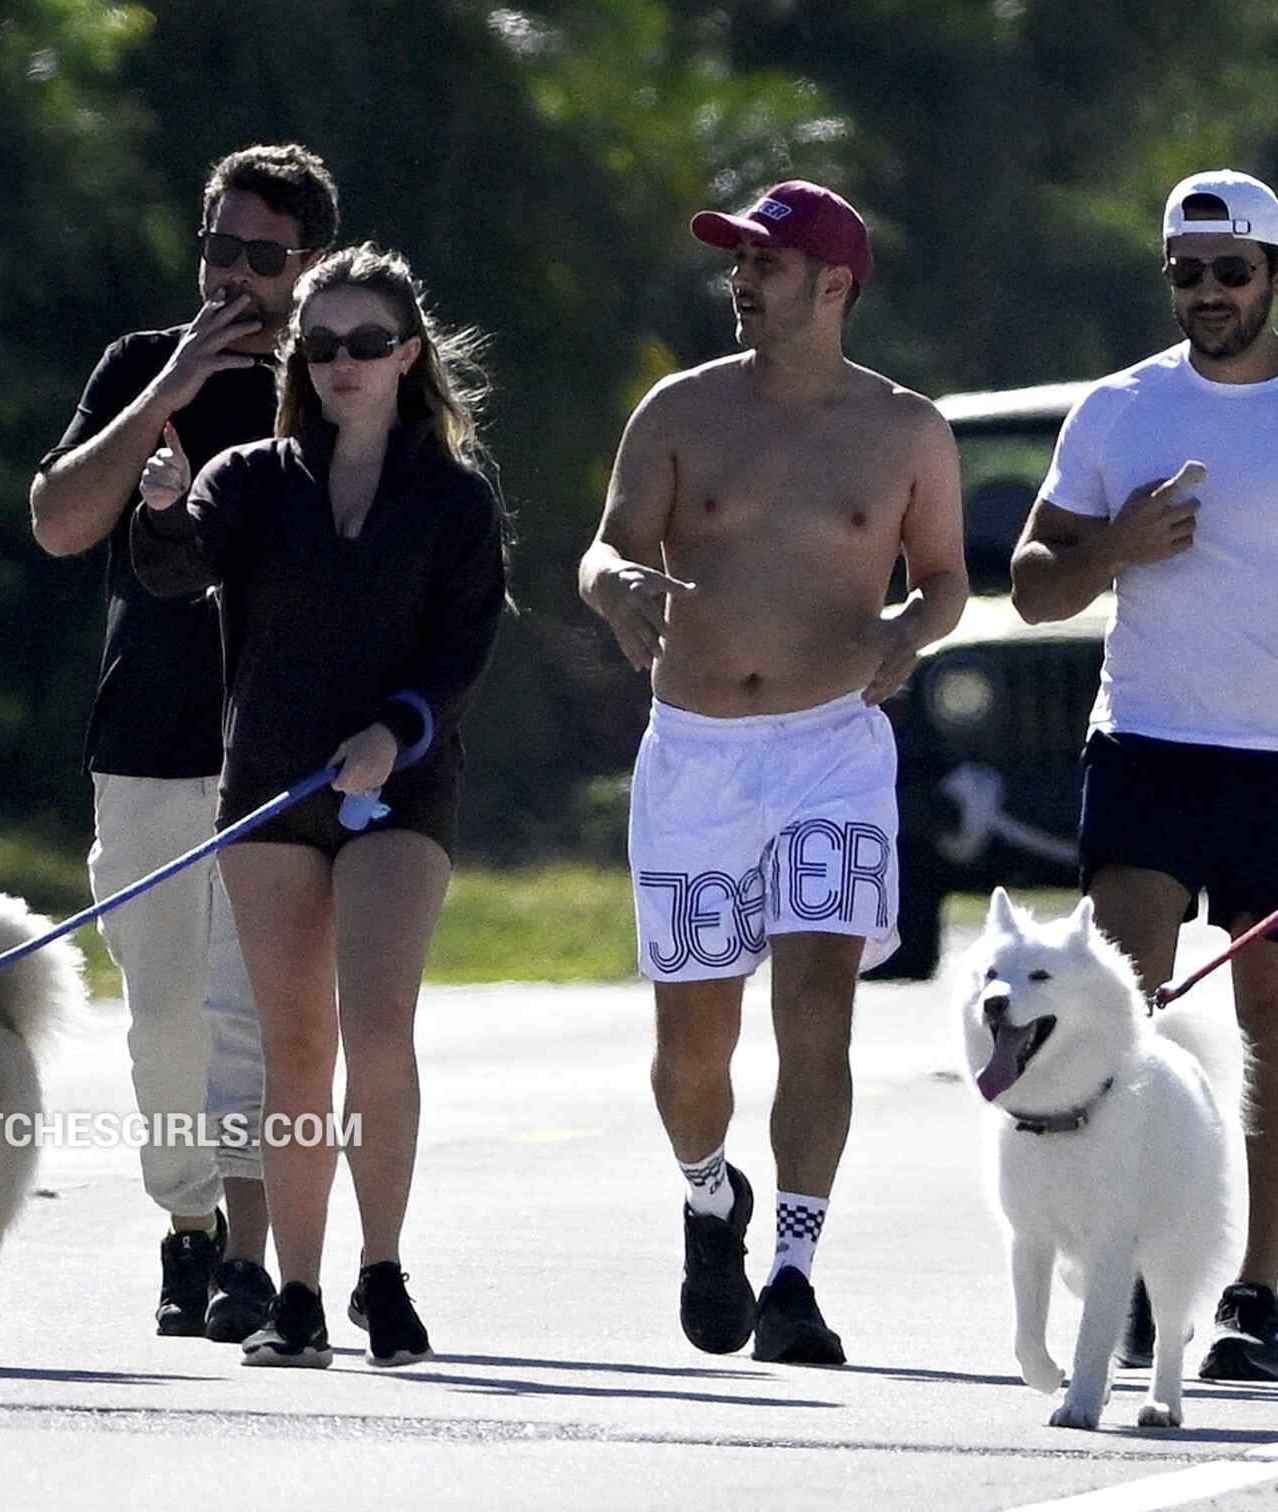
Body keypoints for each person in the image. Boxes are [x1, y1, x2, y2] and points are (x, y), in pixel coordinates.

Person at [579, 181, 967, 1365]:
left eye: (767, 262)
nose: (741, 280)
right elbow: (604, 545)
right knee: (693, 1049)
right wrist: (614, 586)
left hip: (829, 749)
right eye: (737, 261)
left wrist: (913, 629)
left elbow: (945, 577)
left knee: (816, 1011)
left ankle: (794, 1276)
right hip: (696, 754)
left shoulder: (907, 429)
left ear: (834, 284)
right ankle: (711, 1199)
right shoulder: (680, 408)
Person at [131, 243, 507, 1368]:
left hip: (401, 784)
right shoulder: (249, 477)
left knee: (376, 1027)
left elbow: (462, 648)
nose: (343, 364)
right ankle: (295, 1292)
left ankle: (380, 1272)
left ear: (408, 356)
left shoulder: (453, 497)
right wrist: (162, 507)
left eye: (367, 344)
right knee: (295, 1045)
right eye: (322, 345)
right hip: (272, 790)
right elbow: (174, 567)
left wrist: (395, 730)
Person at [29, 144, 339, 1341]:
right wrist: (167, 387)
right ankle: (189, 1228)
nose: (233, 277)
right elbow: (59, 524)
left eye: (263, 256)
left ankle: (253, 1261)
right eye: (218, 247)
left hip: (284, 747)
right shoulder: (138, 367)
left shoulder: (337, 379)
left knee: (250, 1011)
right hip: (148, 734)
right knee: (162, 1014)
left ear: (308, 264)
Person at [1011, 169, 1278, 1383]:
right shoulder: (1120, 411)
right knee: (1117, 1023)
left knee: (1271, 1032)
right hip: (1150, 747)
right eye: (1186, 273)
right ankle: (1116, 1270)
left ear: (1270, 275)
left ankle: (1257, 1295)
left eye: (1230, 272)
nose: (1208, 293)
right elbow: (1032, 586)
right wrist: (1115, 546)